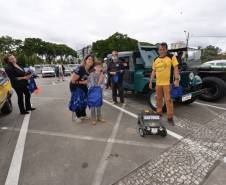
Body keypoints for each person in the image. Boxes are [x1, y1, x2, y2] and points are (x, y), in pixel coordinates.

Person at [149, 43, 180, 124]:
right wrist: (150, 81)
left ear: (166, 49)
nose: (161, 51)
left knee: (168, 100)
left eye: (163, 49)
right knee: (158, 99)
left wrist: (177, 80)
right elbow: (153, 71)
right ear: (158, 50)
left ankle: (170, 116)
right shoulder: (156, 59)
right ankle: (159, 112)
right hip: (158, 83)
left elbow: (176, 68)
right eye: (160, 49)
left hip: (167, 83)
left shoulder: (171, 57)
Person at [70, 54, 95, 122]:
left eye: (92, 60)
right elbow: (72, 81)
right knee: (78, 101)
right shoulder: (80, 68)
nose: (90, 61)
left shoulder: (90, 70)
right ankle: (77, 116)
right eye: (89, 59)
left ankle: (83, 115)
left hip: (83, 86)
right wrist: (83, 82)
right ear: (85, 60)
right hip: (76, 86)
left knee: (84, 101)